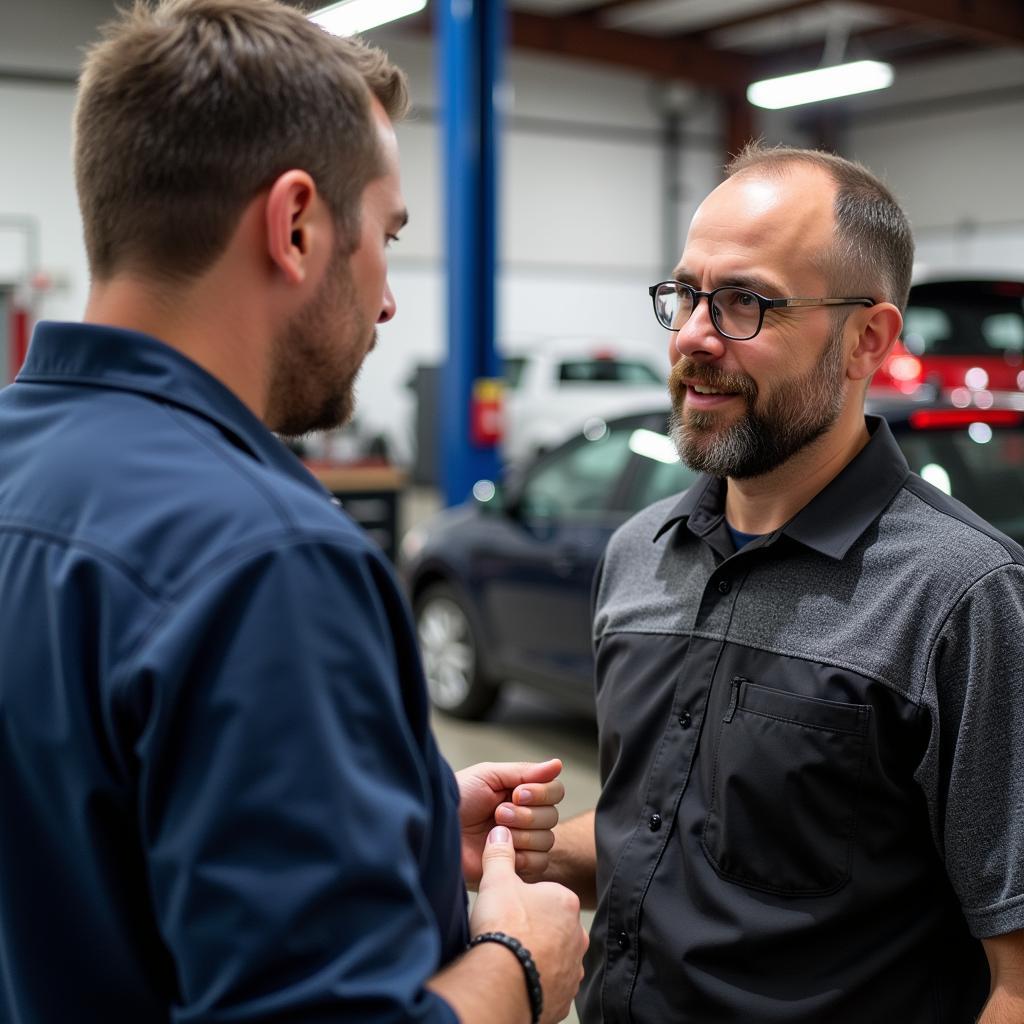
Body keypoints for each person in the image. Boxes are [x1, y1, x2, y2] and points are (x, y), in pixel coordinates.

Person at [0, 2, 587, 1022]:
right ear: (298, 223)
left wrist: (391, 826)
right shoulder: (265, 556)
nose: (389, 301)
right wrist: (520, 964)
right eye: (387, 239)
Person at [543, 144, 1024, 1022]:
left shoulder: (962, 597)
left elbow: (1017, 979)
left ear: (865, 340)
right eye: (686, 294)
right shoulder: (638, 554)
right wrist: (518, 849)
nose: (692, 334)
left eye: (743, 303)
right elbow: (674, 835)